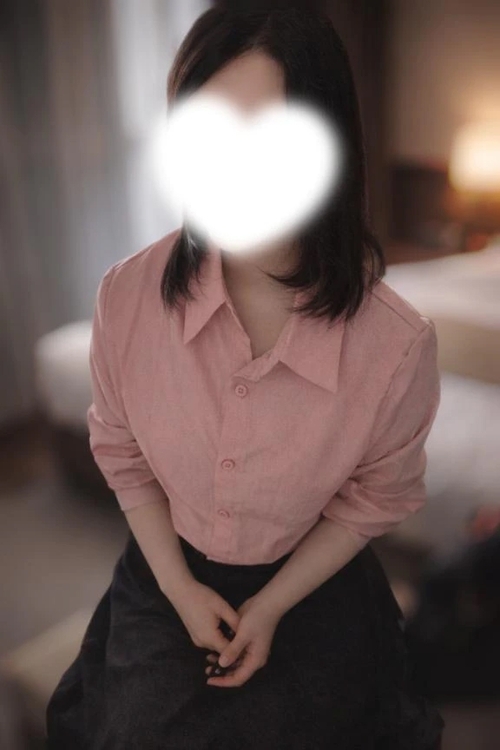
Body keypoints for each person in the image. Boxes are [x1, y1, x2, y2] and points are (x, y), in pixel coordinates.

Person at [45, 2, 446, 748]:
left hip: (315, 585)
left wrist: (273, 603)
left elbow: (374, 496)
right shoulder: (126, 297)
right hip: (165, 572)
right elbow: (123, 455)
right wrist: (178, 589)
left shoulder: (397, 346)